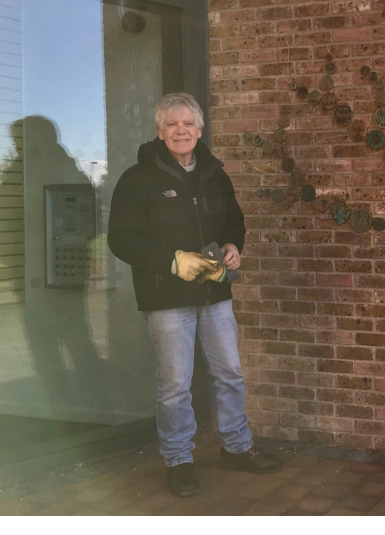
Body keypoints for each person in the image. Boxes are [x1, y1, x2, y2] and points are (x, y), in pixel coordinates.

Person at [108, 93, 281, 497]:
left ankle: (237, 447)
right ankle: (179, 460)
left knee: (230, 374)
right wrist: (172, 261)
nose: (181, 131)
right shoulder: (138, 178)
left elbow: (234, 221)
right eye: (172, 124)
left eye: (188, 124)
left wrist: (234, 246)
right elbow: (121, 239)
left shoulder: (215, 175)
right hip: (167, 298)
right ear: (159, 131)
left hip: (215, 293)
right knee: (175, 384)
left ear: (200, 130)